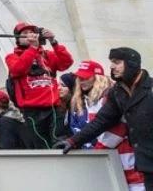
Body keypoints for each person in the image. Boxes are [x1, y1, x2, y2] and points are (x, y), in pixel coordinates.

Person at [60, 48, 153, 183]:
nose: (111, 66)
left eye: (116, 62)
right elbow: (101, 121)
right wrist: (73, 141)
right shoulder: (117, 91)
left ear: (132, 63)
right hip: (146, 165)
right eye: (111, 62)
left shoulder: (150, 88)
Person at [5, 22, 73, 149]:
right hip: (32, 111)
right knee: (41, 146)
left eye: (32, 32)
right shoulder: (12, 57)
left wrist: (54, 42)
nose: (29, 35)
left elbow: (66, 63)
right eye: (24, 34)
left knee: (60, 143)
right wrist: (32, 49)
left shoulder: (47, 55)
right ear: (17, 39)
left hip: (54, 107)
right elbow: (18, 69)